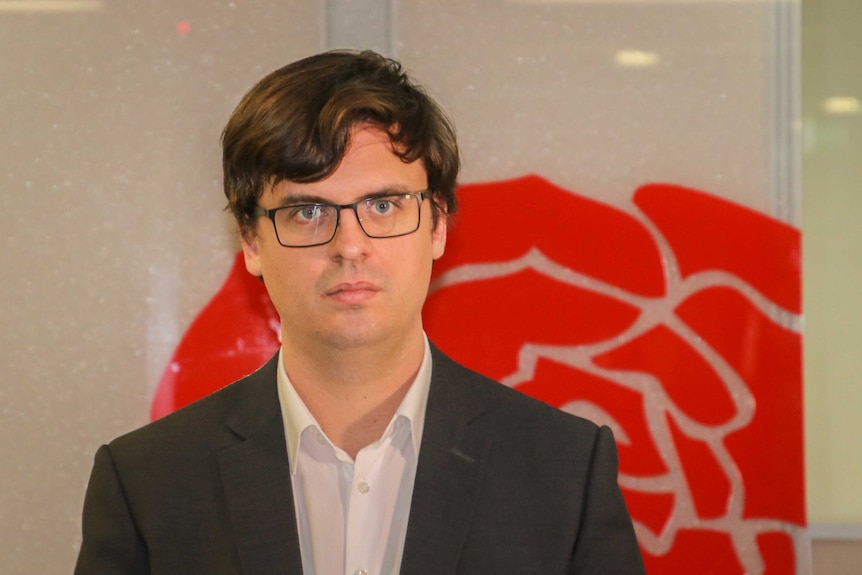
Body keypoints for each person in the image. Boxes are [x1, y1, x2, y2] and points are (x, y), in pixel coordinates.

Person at [75, 50, 646, 575]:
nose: (350, 245)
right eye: (307, 211)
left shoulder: (565, 471)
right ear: (251, 240)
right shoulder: (147, 485)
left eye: (384, 204)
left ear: (438, 225)